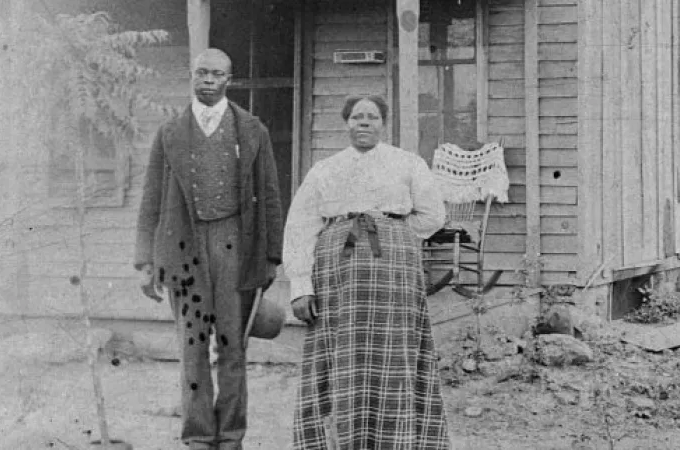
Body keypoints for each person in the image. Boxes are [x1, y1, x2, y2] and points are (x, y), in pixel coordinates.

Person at [134, 48, 284, 450]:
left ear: (229, 80)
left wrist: (271, 256)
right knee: (193, 345)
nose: (208, 81)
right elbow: (150, 199)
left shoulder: (252, 130)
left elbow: (270, 195)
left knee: (233, 345)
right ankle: (199, 435)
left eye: (217, 74)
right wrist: (146, 261)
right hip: (184, 247)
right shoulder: (170, 133)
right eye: (201, 73)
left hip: (235, 245)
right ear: (191, 76)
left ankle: (231, 435)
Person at [284, 94, 450, 449]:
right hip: (337, 272)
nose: (364, 122)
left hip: (394, 272)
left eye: (372, 117)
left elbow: (433, 215)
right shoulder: (325, 169)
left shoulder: (407, 163)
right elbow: (300, 226)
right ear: (346, 123)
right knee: (339, 352)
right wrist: (300, 284)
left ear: (383, 124)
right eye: (357, 116)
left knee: (395, 351)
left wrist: (396, 234)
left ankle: (398, 438)